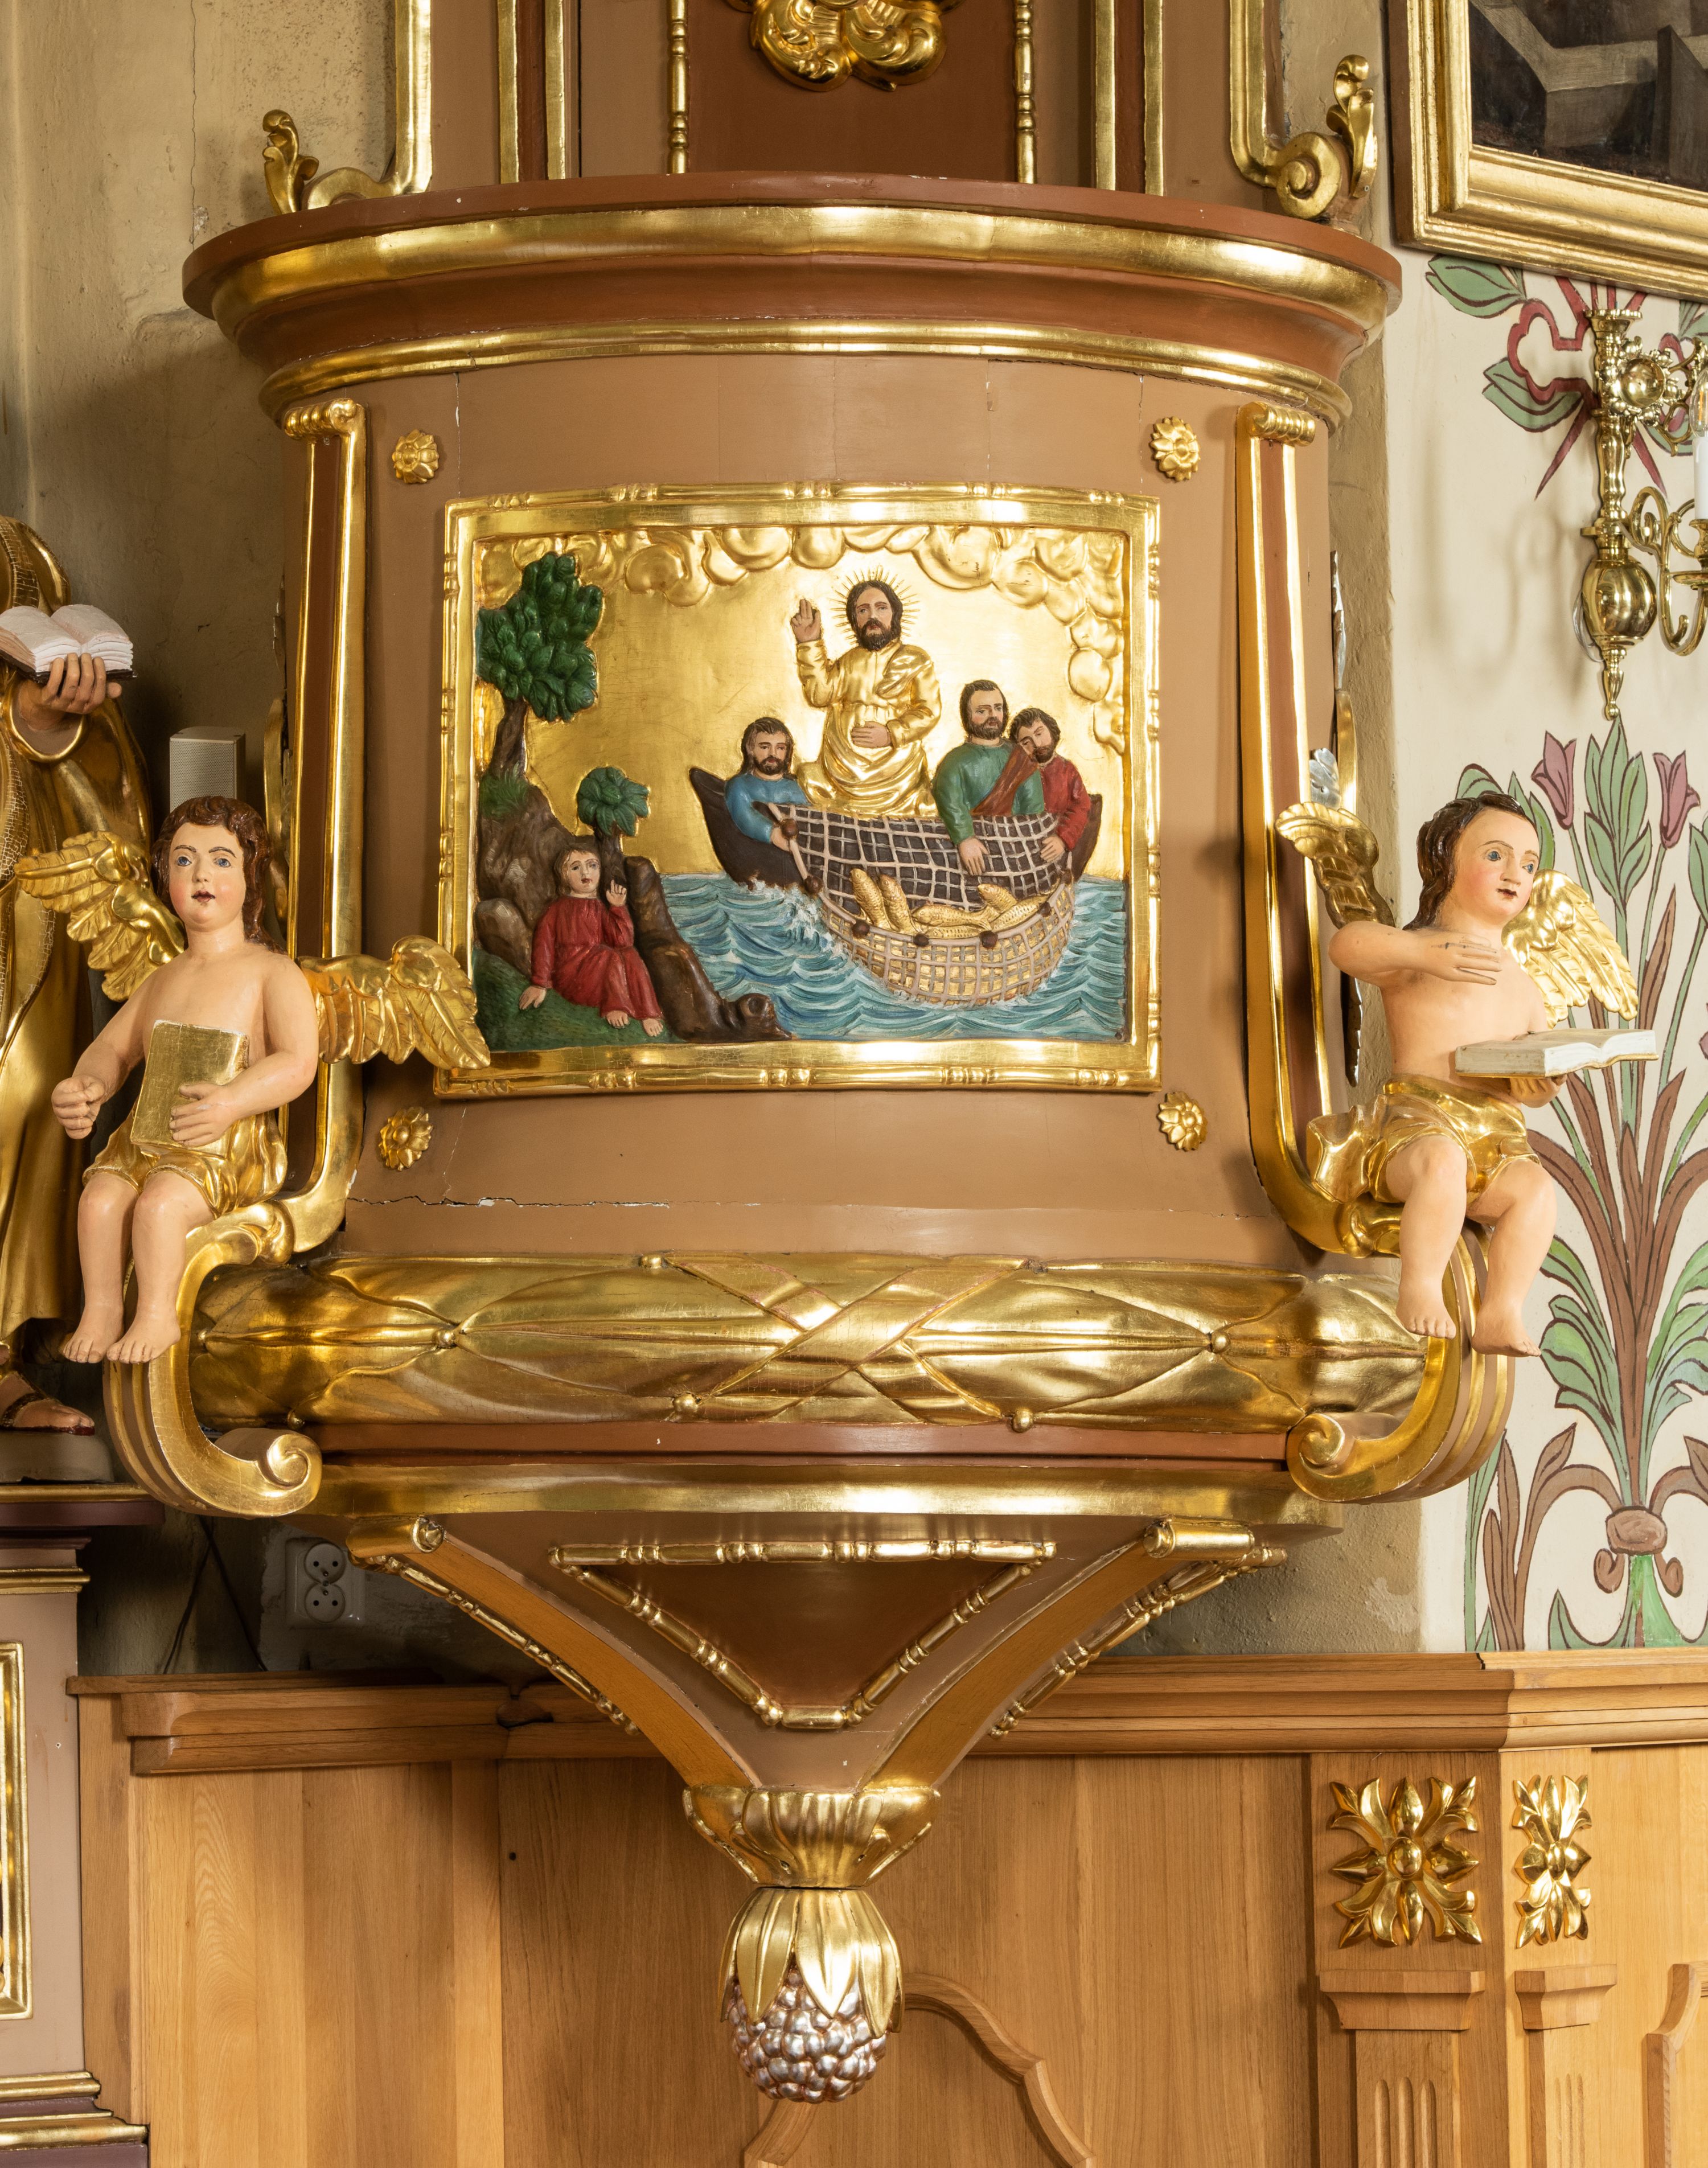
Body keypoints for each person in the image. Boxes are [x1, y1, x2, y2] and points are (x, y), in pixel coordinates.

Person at [52, 798, 319, 1367]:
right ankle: (102, 1310)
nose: (200, 874)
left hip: (221, 1145)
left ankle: (156, 1314)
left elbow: (298, 1062)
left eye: (221, 860)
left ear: (250, 876)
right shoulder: (162, 978)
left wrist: (231, 1101)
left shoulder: (271, 972)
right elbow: (114, 1049)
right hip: (146, 1134)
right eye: (183, 860)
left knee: (160, 1206)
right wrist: (87, 1086)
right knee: (99, 1201)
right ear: (163, 874)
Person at [1307, 794, 1561, 1356]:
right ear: (1446, 862)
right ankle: (1420, 1287)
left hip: (1498, 1134)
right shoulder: (1419, 950)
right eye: (1495, 855)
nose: (1515, 873)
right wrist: (1422, 954)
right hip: (1422, 1119)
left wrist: (1537, 1085)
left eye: (1528, 864)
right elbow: (1347, 945)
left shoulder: (1523, 983)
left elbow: (1534, 1060)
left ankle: (1502, 1310)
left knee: (1536, 1192)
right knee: (1441, 1165)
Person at [0, 516, 150, 1430]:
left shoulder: (17, 554)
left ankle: (6, 1353)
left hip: (22, 914)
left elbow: (99, 780)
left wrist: (50, 719)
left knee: (27, 1102)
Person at [791, 579, 939, 818]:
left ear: (895, 614)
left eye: (881, 608)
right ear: (855, 620)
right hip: (842, 770)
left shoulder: (915, 660)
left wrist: (891, 734)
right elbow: (819, 695)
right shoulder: (849, 661)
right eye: (863, 610)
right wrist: (809, 644)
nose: (873, 617)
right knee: (809, 778)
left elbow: (928, 711)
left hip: (898, 772)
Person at [520, 840, 664, 1035]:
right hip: (572, 979)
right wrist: (540, 984)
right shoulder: (556, 910)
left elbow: (623, 941)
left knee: (630, 954)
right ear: (564, 875)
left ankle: (648, 1012)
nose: (585, 873)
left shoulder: (599, 908)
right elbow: (543, 946)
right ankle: (615, 1007)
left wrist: (617, 908)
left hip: (600, 978)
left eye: (592, 866)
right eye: (576, 867)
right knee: (608, 955)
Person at [931, 680, 1044, 874]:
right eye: (982, 711)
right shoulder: (954, 762)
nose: (992, 716)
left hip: (1016, 851)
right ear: (967, 716)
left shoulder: (1021, 758)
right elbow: (950, 803)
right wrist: (965, 838)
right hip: (969, 858)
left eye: (998, 708)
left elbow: (1034, 810)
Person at [1012, 707, 1091, 865]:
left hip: (1054, 850)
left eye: (1039, 734)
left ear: (1051, 730)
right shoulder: (1017, 775)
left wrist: (1062, 839)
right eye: (1026, 742)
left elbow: (1081, 807)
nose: (1037, 744)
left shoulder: (1067, 771)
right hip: (1022, 849)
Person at [724, 717, 810, 847]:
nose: (773, 754)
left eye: (780, 748)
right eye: (765, 747)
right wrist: (773, 834)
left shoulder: (797, 788)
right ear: (751, 749)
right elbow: (745, 817)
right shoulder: (739, 785)